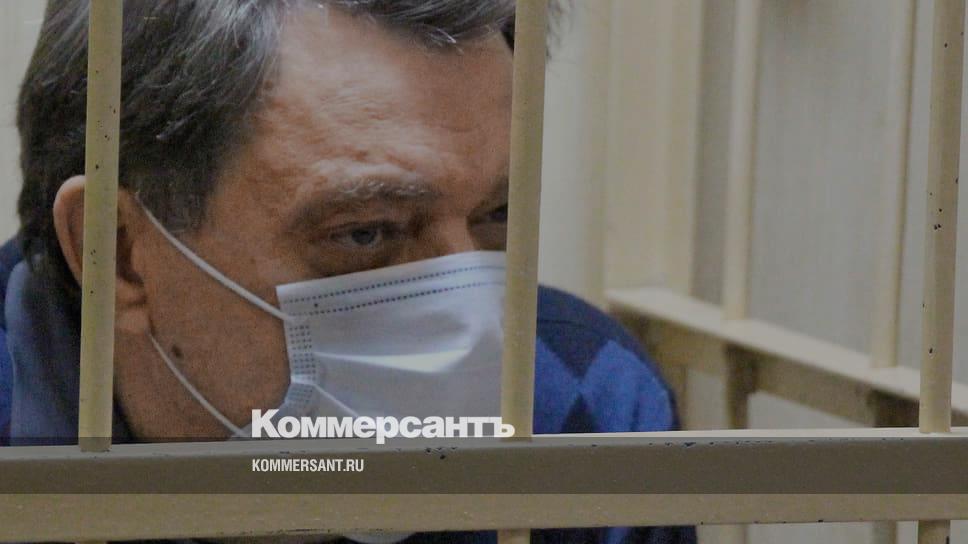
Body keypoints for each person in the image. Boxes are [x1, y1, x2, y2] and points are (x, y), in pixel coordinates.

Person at [0, 1, 695, 543]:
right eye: (366, 232)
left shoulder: (587, 402)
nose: (476, 323)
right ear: (121, 254)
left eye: (497, 213)